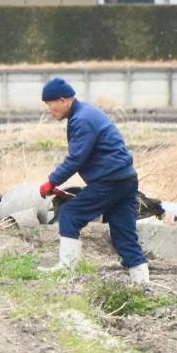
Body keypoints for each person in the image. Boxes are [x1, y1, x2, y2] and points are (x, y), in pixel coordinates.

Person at [36, 77, 149, 285]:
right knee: (124, 233)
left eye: (50, 104)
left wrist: (51, 182)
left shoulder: (82, 120)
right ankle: (142, 283)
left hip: (110, 181)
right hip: (126, 180)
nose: (49, 110)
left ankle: (66, 269)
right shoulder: (86, 113)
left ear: (63, 100)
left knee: (71, 214)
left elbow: (76, 158)